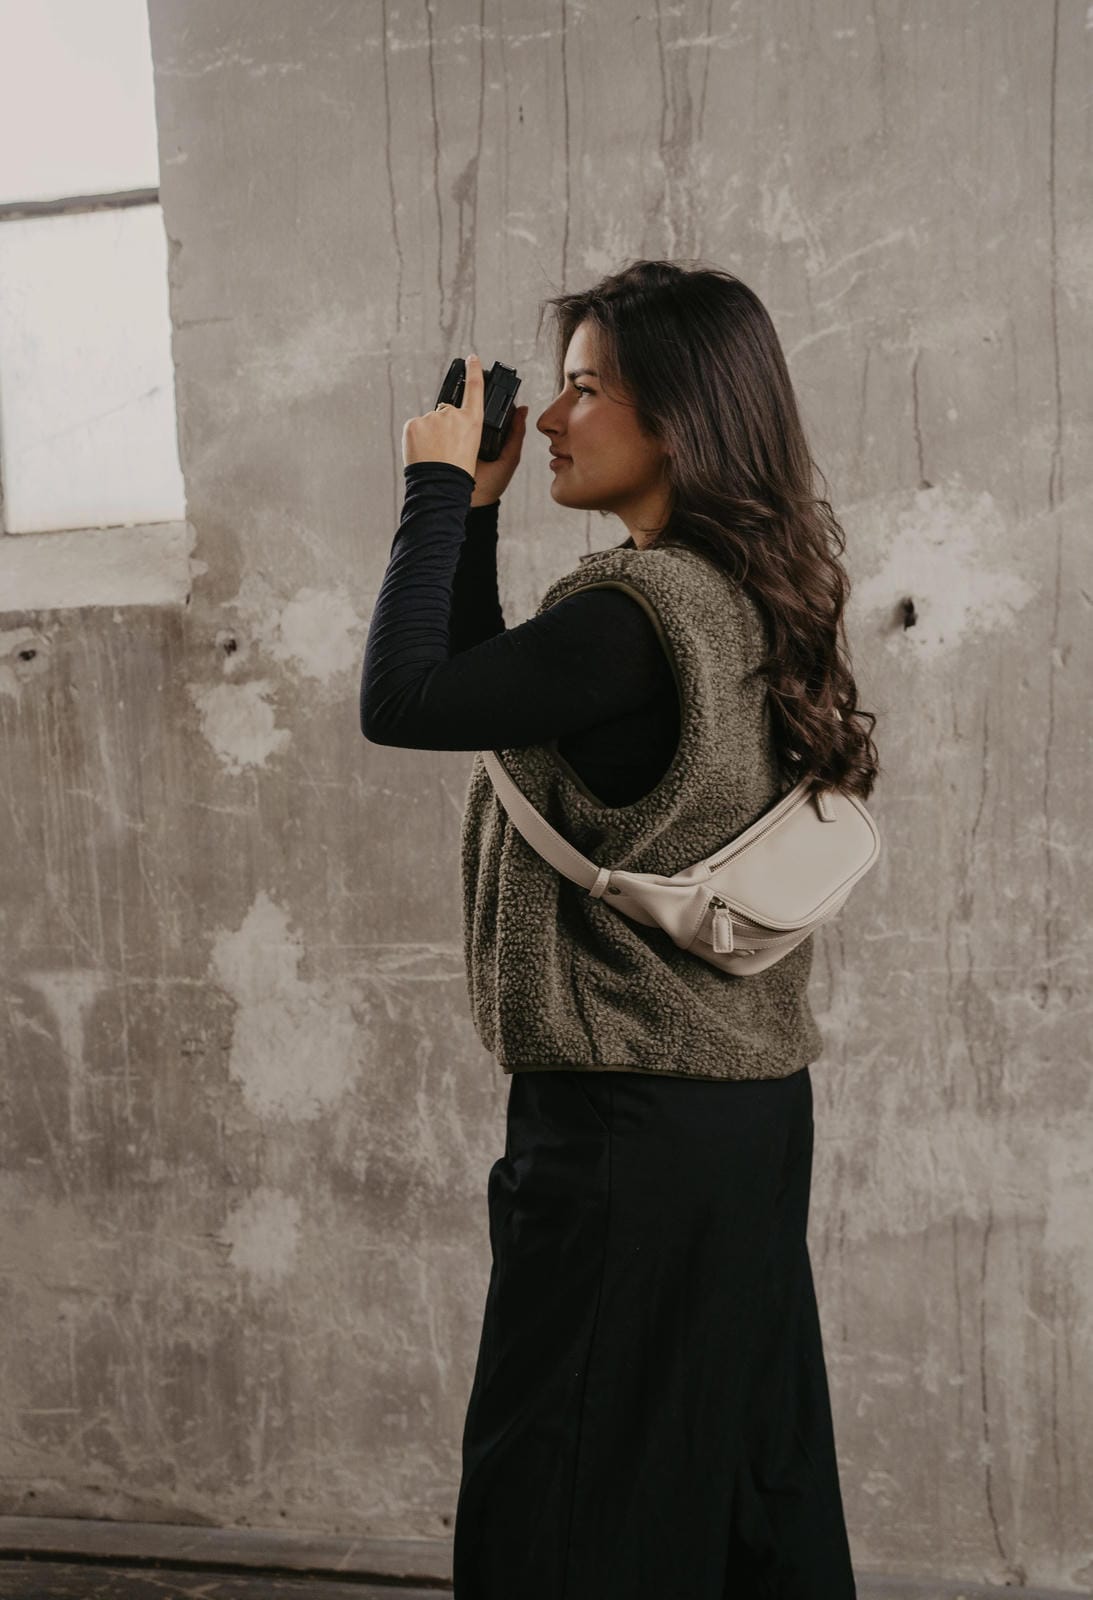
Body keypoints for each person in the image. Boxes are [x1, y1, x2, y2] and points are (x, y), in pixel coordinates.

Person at [360, 258, 880, 1600]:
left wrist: (425, 490)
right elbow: (483, 699)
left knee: (567, 1497)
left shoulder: (627, 616)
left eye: (586, 389)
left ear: (680, 419)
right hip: (743, 1114)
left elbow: (409, 698)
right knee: (731, 1474)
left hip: (621, 1126)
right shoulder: (744, 590)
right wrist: (473, 519)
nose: (550, 420)